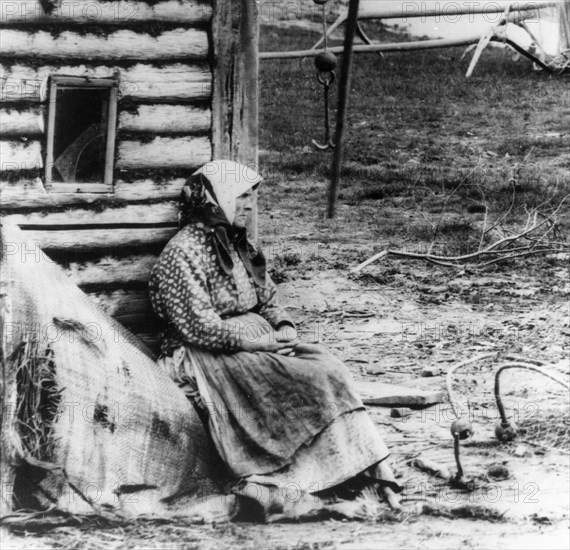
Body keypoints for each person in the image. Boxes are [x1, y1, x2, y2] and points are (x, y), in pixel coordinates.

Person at [149, 160, 402, 519]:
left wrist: (283, 328)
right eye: (240, 196)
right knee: (304, 379)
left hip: (257, 341)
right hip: (205, 354)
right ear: (213, 200)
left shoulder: (240, 246)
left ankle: (359, 468)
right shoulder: (182, 253)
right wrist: (256, 345)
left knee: (327, 368)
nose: (249, 204)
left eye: (252, 196)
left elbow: (267, 298)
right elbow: (198, 327)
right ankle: (289, 478)